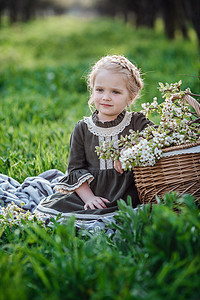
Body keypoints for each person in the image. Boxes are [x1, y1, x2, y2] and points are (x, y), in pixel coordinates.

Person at [35, 55, 154, 221]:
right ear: (92, 90)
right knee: (58, 210)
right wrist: (89, 199)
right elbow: (75, 170)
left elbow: (159, 139)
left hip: (129, 194)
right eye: (100, 90)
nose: (106, 97)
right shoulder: (83, 128)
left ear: (131, 98)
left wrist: (130, 151)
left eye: (116, 92)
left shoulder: (136, 122)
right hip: (92, 193)